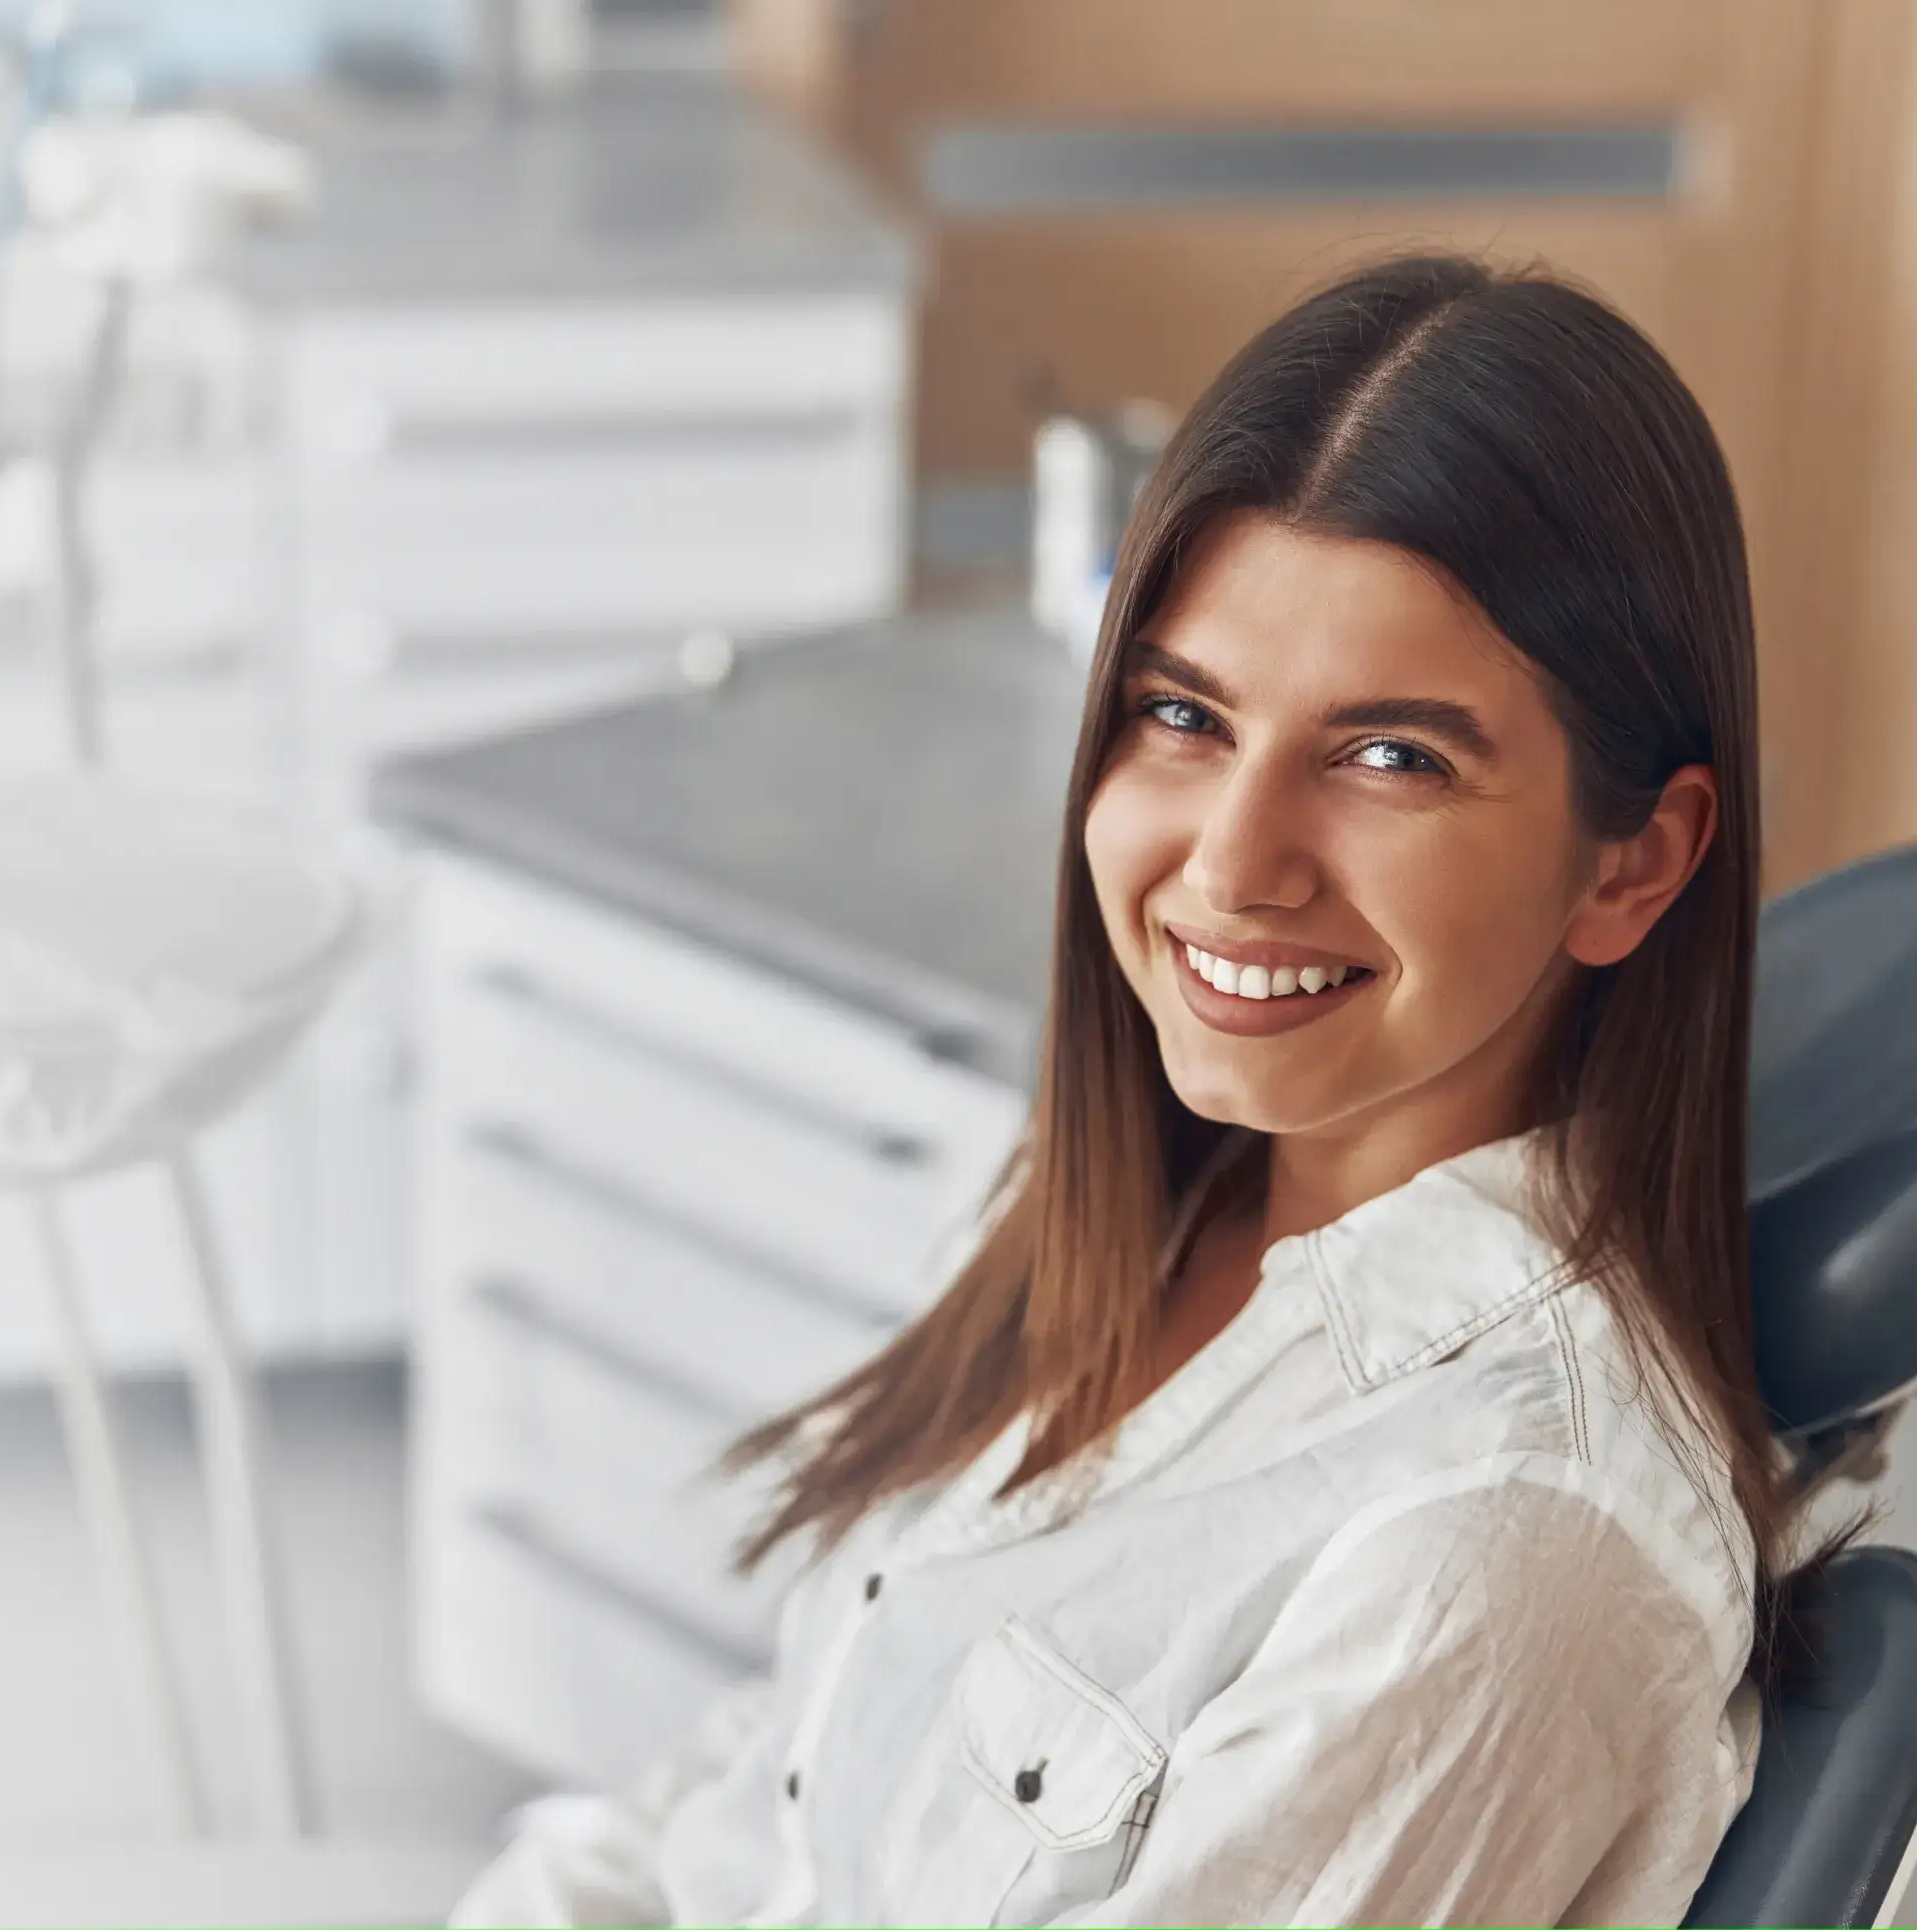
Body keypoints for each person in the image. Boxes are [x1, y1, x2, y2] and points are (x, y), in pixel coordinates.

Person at [449, 254, 1826, 1928]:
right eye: (1183, 714)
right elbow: (787, 1773)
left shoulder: (1501, 1551)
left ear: (1637, 861)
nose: (1231, 867)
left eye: (1392, 755)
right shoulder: (1164, 1198)